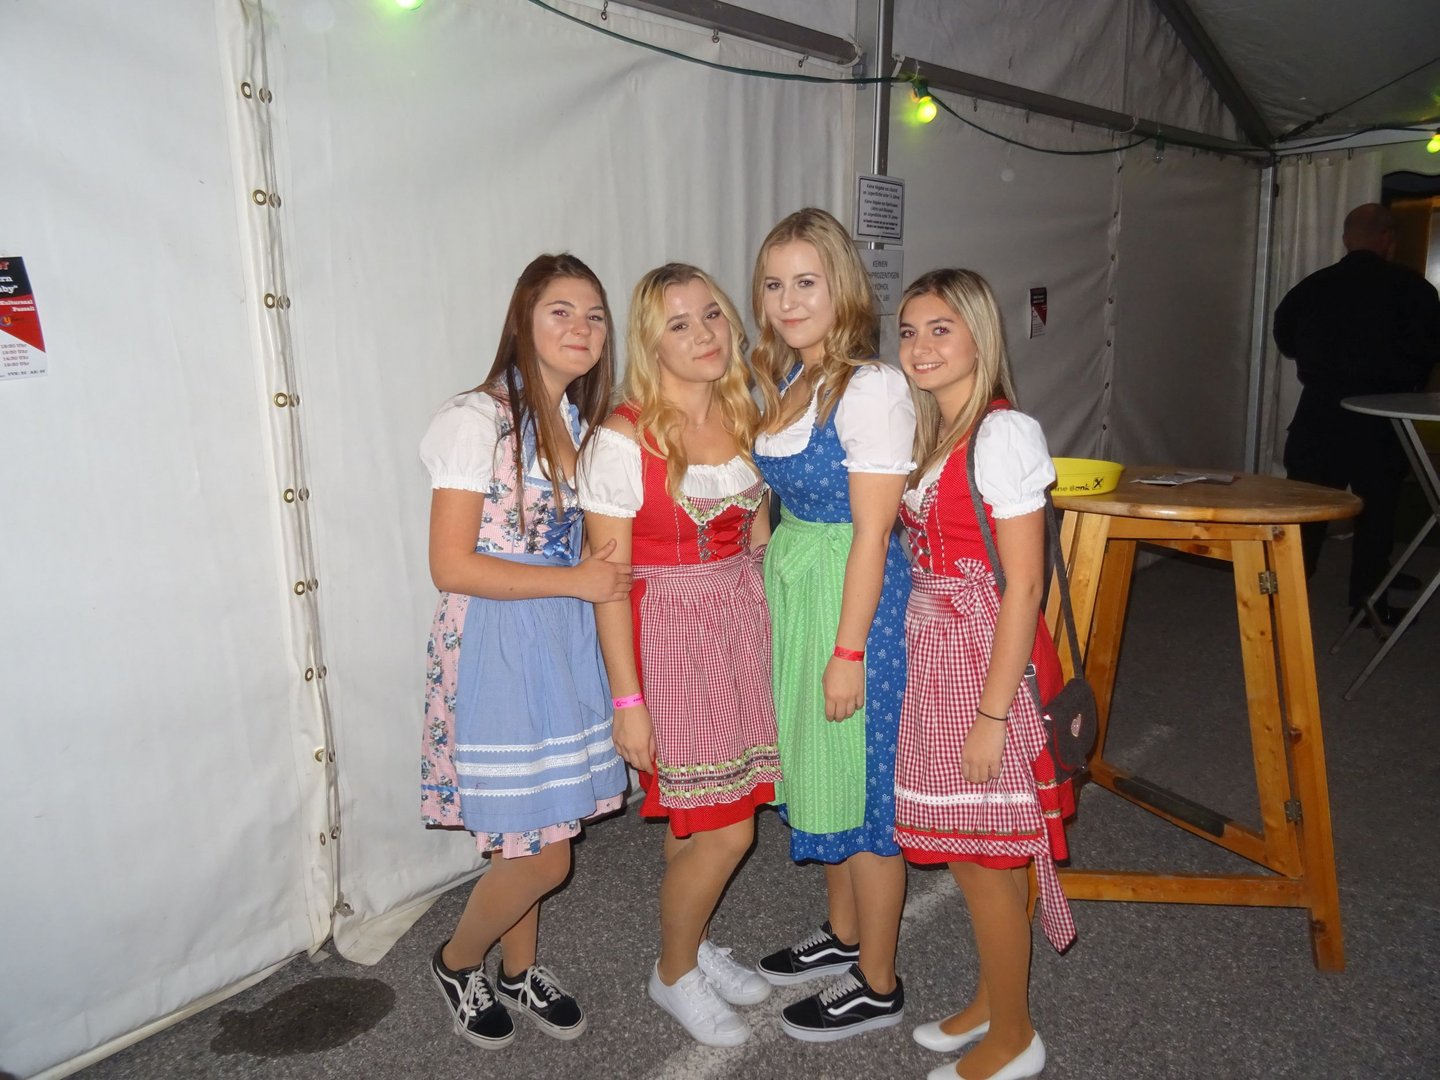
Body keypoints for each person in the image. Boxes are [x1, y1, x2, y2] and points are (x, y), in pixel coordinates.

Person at [418, 253, 631, 1050]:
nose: (582, 328)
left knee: (539, 829)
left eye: (594, 316)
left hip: (556, 635)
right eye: (560, 312)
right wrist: (576, 581)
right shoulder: (476, 419)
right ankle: (455, 961)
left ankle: (518, 969)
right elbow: (451, 565)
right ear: (523, 322)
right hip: (496, 642)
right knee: (545, 858)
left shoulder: (573, 421)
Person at [578, 263, 782, 1046]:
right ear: (651, 344)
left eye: (712, 315)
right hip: (669, 639)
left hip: (740, 626)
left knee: (702, 819)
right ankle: (671, 973)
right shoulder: (622, 439)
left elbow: (757, 537)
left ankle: (689, 945)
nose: (703, 334)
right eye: (679, 324)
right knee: (729, 829)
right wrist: (628, 703)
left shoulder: (745, 414)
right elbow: (608, 585)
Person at [894, 269, 1076, 1080]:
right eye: (909, 331)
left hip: (987, 663)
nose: (921, 346)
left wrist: (993, 716)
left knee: (992, 858)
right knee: (969, 851)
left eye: (941, 329)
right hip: (941, 655)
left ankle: (1016, 1036)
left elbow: (1025, 586)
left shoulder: (1003, 434)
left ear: (979, 336)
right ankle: (993, 1002)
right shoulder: (937, 431)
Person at [749, 207, 916, 1042]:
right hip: (803, 583)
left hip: (854, 596)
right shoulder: (795, 376)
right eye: (774, 284)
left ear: (842, 286)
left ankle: (878, 982)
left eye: (806, 283)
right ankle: (844, 934)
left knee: (863, 787)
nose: (788, 301)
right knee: (824, 767)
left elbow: (874, 533)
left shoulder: (870, 387)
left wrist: (849, 650)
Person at [1275, 203, 1440, 625]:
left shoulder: (1312, 287)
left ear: (1347, 239)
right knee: (1377, 511)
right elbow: (1429, 349)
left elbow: (1285, 338)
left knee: (1309, 508)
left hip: (1320, 410)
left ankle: (1289, 592)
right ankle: (1368, 600)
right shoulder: (1415, 290)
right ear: (1388, 238)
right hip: (1383, 412)